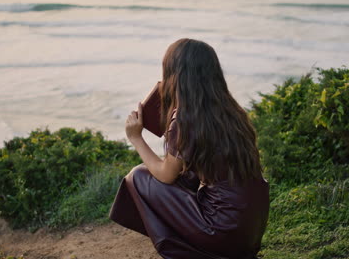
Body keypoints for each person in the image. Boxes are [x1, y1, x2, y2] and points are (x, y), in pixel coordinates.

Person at [109, 38, 269, 259]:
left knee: (138, 176)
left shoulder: (186, 118)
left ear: (175, 76)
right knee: (187, 176)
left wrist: (136, 138)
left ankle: (187, 251)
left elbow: (165, 175)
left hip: (221, 232)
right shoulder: (231, 111)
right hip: (249, 231)